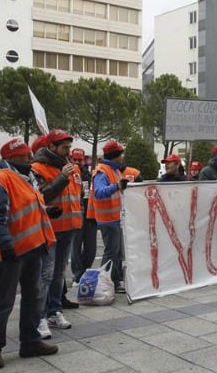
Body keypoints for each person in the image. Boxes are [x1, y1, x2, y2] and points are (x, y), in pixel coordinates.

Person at [0, 138, 59, 369]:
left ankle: (30, 342)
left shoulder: (26, 178)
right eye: (25, 155)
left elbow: (25, 207)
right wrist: (6, 246)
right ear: (12, 158)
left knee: (32, 298)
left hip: (32, 248)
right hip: (12, 253)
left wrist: (47, 210)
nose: (30, 158)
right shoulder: (0, 180)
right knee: (4, 301)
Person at [31, 129, 83, 337]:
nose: (68, 151)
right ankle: (40, 317)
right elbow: (42, 195)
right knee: (46, 274)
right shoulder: (37, 168)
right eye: (64, 147)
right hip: (50, 228)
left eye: (69, 147)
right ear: (51, 147)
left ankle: (54, 311)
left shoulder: (72, 167)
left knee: (59, 273)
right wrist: (62, 177)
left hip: (69, 227)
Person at [87, 140, 129, 293]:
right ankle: (104, 282)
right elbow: (99, 192)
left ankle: (114, 281)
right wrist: (117, 186)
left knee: (116, 252)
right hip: (108, 219)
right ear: (114, 156)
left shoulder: (114, 170)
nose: (122, 157)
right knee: (111, 252)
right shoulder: (102, 171)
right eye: (120, 154)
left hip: (115, 218)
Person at [70, 148, 97, 288]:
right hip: (75, 217)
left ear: (84, 160)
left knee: (91, 249)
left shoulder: (90, 175)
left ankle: (84, 272)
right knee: (75, 248)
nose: (77, 162)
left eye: (79, 160)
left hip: (90, 217)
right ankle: (77, 276)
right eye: (74, 159)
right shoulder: (67, 175)